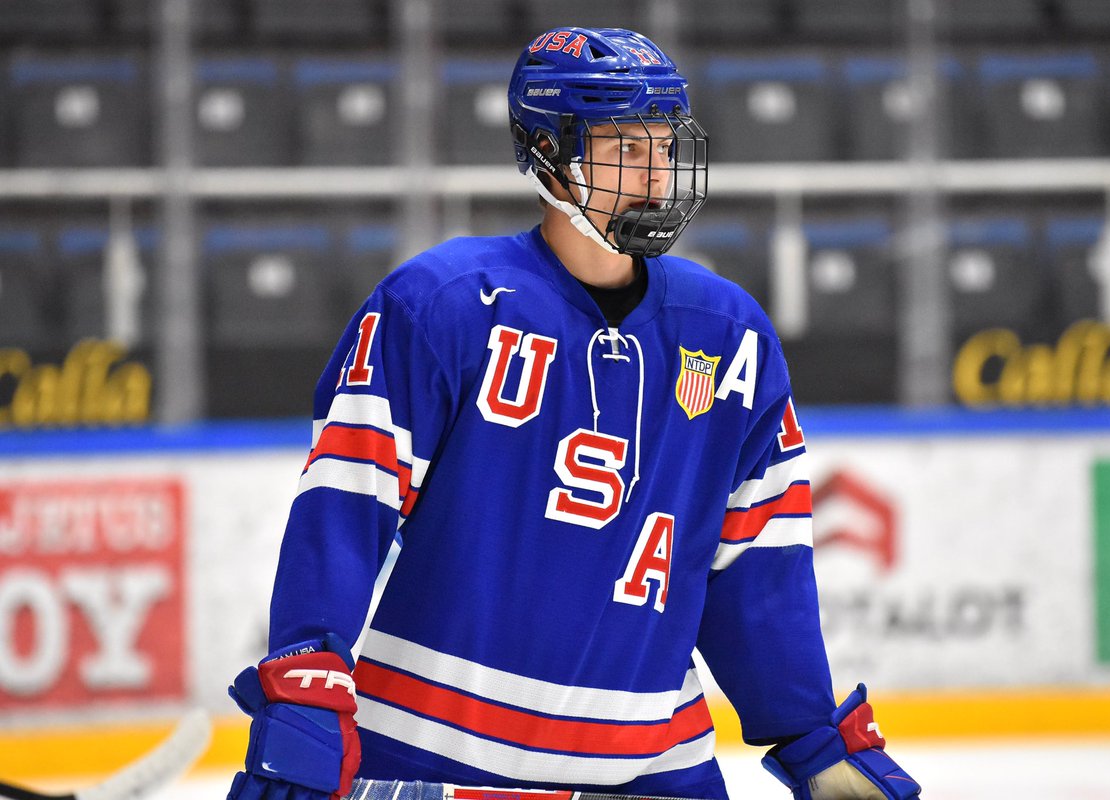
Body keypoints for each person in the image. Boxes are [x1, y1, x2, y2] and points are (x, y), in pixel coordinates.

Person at [225, 26, 920, 800]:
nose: (655, 174)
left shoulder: (731, 337)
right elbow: (349, 503)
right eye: (626, 146)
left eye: (665, 144)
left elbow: (755, 564)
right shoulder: (445, 306)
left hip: (655, 769)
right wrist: (307, 678)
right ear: (550, 153)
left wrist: (811, 736)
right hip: (434, 758)